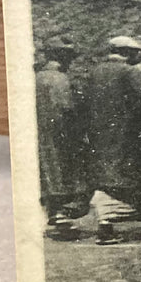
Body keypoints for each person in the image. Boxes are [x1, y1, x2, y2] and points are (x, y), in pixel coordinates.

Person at [84, 35, 141, 245]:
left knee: (107, 182)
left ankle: (105, 227)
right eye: (133, 53)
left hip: (100, 137)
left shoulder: (94, 73)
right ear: (126, 53)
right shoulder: (129, 72)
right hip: (129, 136)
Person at [36, 39, 90, 236]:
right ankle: (61, 217)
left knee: (47, 172)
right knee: (61, 172)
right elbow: (66, 108)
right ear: (62, 58)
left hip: (40, 131)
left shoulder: (37, 77)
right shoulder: (59, 79)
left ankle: (54, 213)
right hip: (59, 133)